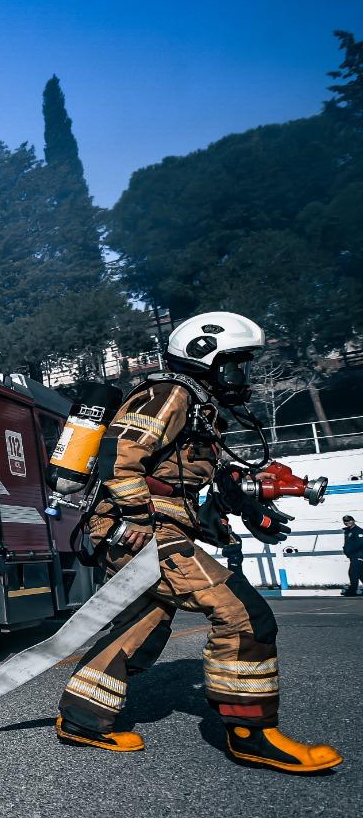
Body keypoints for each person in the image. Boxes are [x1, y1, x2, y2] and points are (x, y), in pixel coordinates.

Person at [54, 311, 341, 773]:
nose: (240, 375)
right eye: (234, 364)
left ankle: (83, 718)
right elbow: (120, 459)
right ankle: (252, 734)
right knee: (243, 614)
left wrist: (244, 510)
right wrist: (137, 519)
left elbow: (187, 480)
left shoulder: (198, 407)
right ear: (204, 356)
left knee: (143, 623)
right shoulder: (170, 394)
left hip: (154, 526)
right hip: (144, 530)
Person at [342, 515, 363, 596]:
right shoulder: (348, 531)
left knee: (353, 572)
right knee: (360, 573)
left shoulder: (358, 531)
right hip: (353, 556)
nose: (348, 522)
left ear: (353, 520)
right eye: (345, 521)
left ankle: (352, 591)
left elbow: (360, 543)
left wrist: (349, 550)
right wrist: (345, 549)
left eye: (349, 520)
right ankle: (352, 590)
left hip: (358, 555)